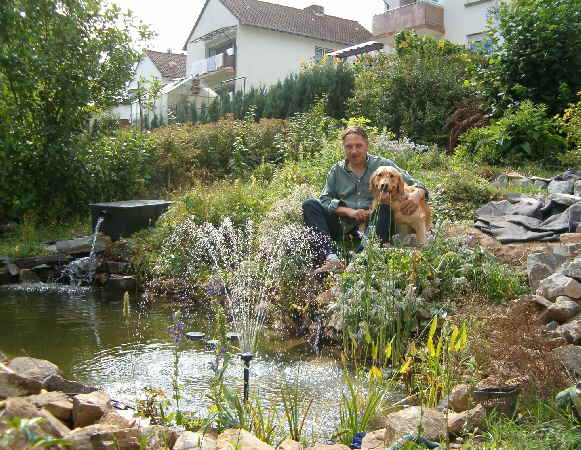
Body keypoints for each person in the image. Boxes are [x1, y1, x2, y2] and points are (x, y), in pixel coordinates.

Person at [302, 126, 428, 274]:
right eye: (349, 146)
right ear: (344, 148)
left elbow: (418, 185)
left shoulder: (382, 166)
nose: (354, 151)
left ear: (366, 145)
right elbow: (324, 200)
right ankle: (332, 259)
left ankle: (358, 263)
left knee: (384, 208)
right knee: (309, 204)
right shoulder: (336, 171)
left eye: (358, 146)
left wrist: (416, 195)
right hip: (343, 225)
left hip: (375, 223)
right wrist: (350, 212)